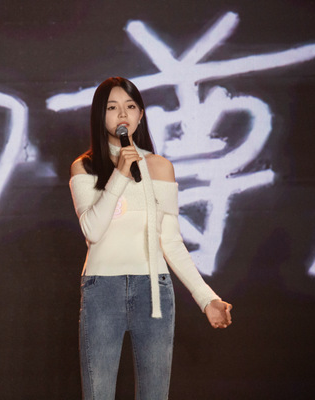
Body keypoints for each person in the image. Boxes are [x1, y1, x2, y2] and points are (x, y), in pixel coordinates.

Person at [69, 77, 232, 400]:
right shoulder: (84, 167)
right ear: (100, 115)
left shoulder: (160, 168)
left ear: (141, 114)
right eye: (112, 107)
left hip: (153, 290)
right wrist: (119, 175)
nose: (122, 114)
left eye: (130, 106)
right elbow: (93, 230)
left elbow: (170, 242)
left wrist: (206, 298)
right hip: (103, 291)